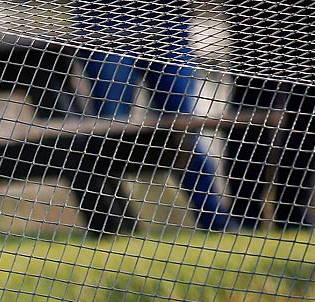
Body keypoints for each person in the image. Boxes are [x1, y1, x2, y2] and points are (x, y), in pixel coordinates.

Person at [75, 0, 234, 233]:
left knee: (185, 128)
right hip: (103, 16)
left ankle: (217, 223)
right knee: (111, 131)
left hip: (167, 17)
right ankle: (111, 227)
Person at [221, 2, 315, 230]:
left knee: (306, 113)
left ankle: (293, 211)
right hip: (256, 16)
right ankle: (245, 212)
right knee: (251, 107)